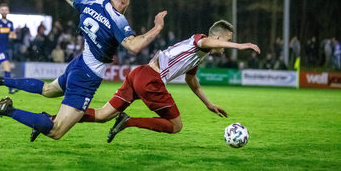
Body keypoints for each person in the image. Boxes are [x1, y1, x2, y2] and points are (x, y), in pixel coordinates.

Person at [0, 0, 167, 141]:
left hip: (79, 63)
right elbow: (133, 46)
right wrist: (156, 28)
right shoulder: (117, 19)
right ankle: (8, 110)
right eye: (128, 1)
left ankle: (0, 80)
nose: (127, 5)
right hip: (87, 75)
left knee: (48, 90)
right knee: (56, 130)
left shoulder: (91, 2)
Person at [58, 20, 260, 143]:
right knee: (175, 126)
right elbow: (207, 41)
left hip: (138, 74)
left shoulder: (198, 55)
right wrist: (241, 46)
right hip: (151, 80)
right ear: (217, 37)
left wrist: (209, 104)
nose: (225, 46)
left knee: (103, 115)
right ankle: (128, 121)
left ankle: (52, 120)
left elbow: (192, 81)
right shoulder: (201, 40)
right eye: (226, 40)